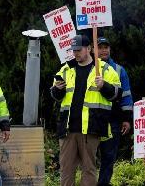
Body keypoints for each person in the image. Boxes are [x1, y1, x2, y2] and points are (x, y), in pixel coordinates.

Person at [50, 35, 122, 186]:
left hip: (91, 129)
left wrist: (104, 86)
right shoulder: (65, 69)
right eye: (73, 50)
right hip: (68, 130)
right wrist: (56, 89)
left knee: (89, 170)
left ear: (89, 49)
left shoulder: (106, 70)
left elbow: (117, 95)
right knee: (66, 171)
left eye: (79, 50)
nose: (75, 53)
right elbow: (56, 96)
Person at [97, 37, 134, 186]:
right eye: (100, 47)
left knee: (109, 157)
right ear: (93, 49)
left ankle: (103, 184)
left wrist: (126, 119)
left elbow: (126, 95)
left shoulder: (119, 70)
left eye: (106, 47)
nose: (104, 50)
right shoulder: (88, 67)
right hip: (90, 120)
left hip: (112, 120)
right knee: (89, 158)